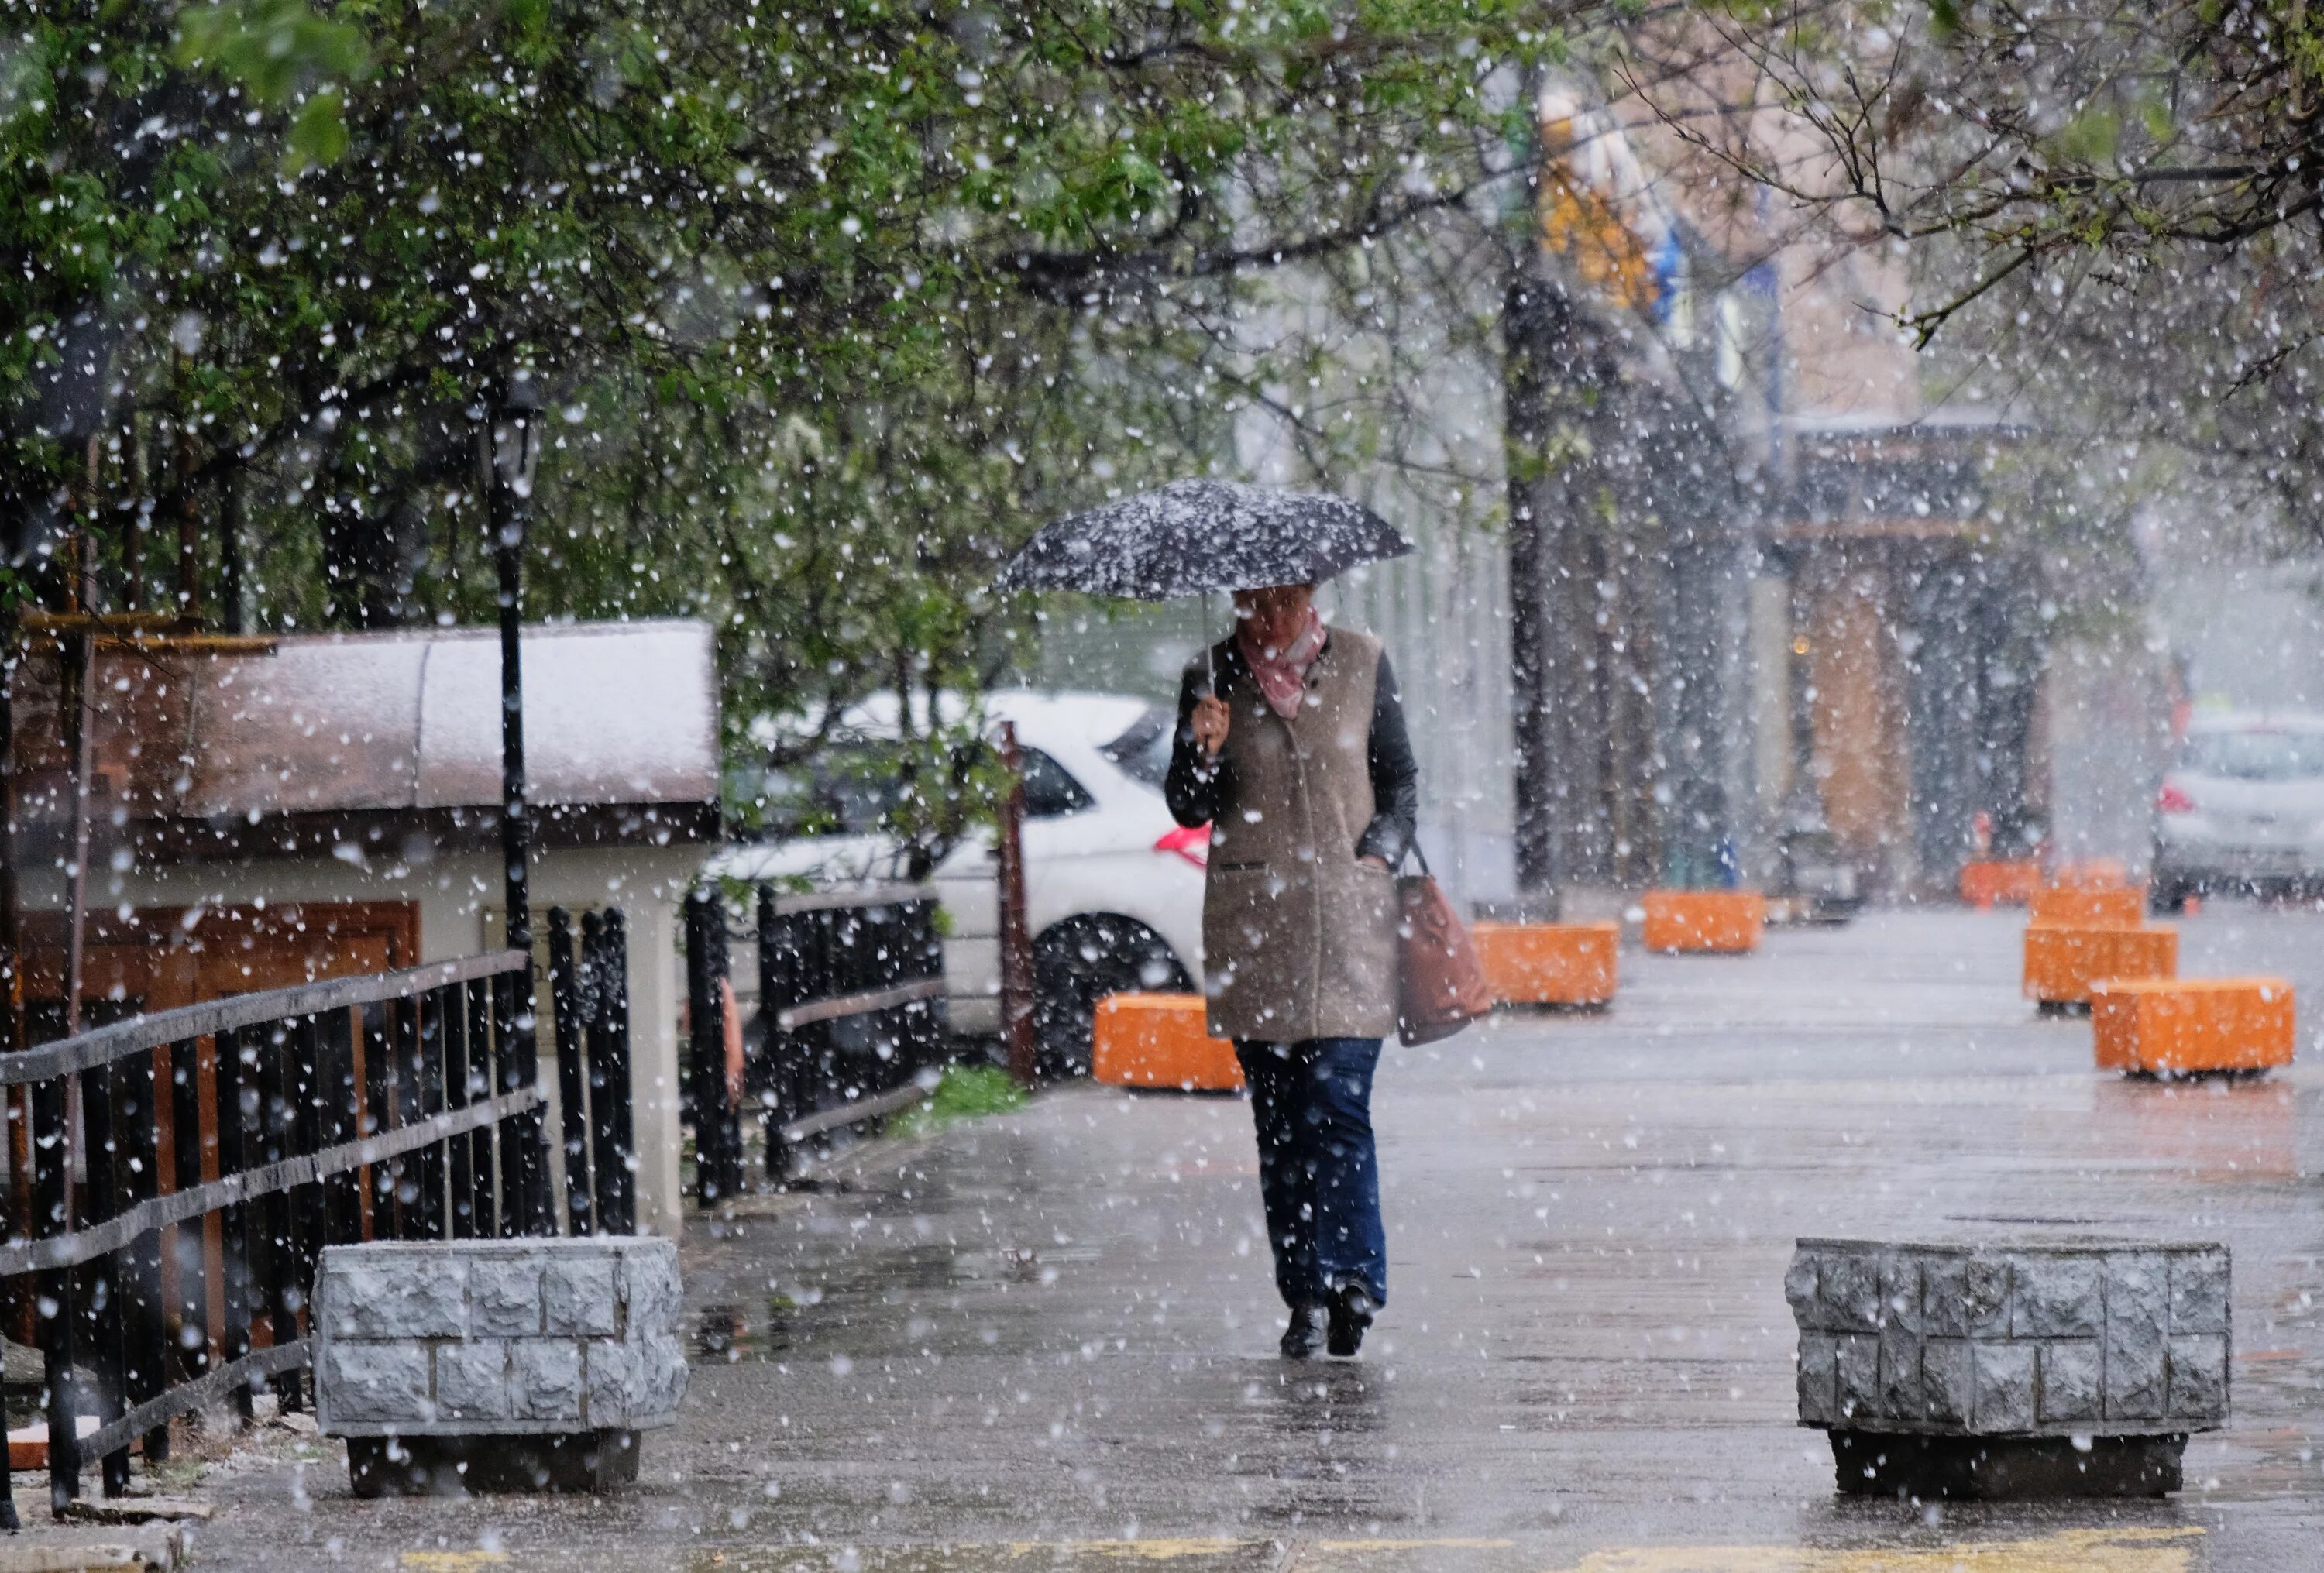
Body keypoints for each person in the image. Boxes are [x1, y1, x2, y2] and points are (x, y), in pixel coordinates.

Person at [1164, 582, 1418, 1358]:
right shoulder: (1208, 674)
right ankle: (1304, 1295)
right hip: (1257, 932)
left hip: (1349, 925)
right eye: (1252, 601)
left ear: (1311, 593)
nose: (1264, 617)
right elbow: (1186, 807)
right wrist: (1199, 748)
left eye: (1281, 600)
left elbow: (1402, 782)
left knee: (1339, 1106)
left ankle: (1354, 1281)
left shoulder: (1365, 662)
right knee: (1279, 1125)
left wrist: (1380, 853)